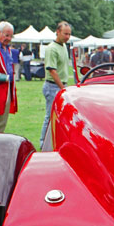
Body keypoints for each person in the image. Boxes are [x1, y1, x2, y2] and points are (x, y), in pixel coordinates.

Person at [41, 21, 72, 149]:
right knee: (49, 116)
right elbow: (52, 70)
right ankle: (43, 143)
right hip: (53, 86)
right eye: (65, 34)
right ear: (57, 32)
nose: (67, 37)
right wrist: (62, 88)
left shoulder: (64, 46)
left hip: (60, 85)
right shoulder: (52, 48)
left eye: (69, 34)